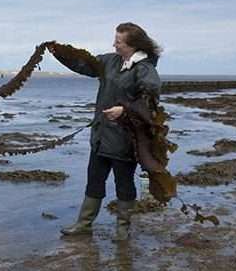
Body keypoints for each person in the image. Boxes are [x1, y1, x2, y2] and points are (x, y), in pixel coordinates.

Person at [48, 22, 162, 241]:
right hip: (100, 135)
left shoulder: (144, 68)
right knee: (94, 180)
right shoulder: (110, 61)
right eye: (115, 40)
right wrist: (60, 54)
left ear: (133, 45)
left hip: (125, 138)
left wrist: (124, 110)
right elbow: (85, 65)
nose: (114, 44)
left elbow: (151, 97)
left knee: (124, 184)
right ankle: (83, 224)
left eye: (118, 42)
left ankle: (122, 229)